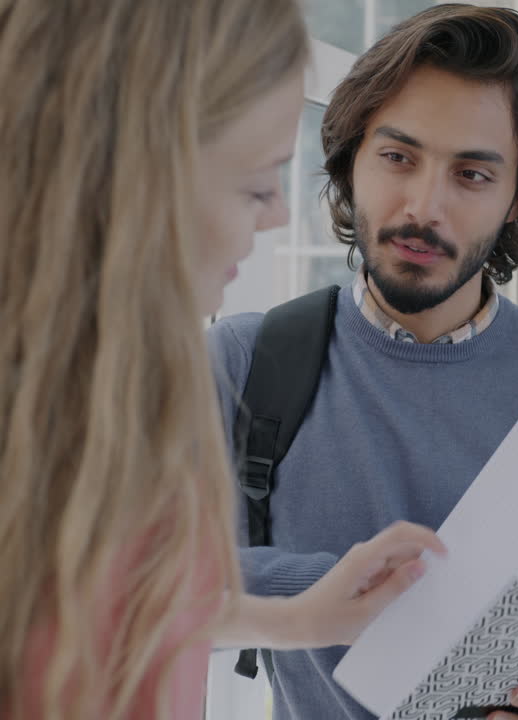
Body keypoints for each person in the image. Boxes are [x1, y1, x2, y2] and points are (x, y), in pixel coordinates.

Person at [206, 5, 518, 720]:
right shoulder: (244, 365)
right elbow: (139, 592)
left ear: (516, 199)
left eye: (471, 174)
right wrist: (340, 588)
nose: (425, 207)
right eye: (398, 157)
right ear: (351, 159)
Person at [0, 2, 445, 718]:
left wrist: (296, 620)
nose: (277, 214)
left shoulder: (111, 394)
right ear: (134, 179)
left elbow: (119, 604)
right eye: (257, 183)